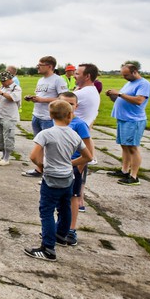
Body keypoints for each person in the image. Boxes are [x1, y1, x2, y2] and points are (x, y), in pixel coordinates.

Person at [24, 100, 92, 262]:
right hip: (68, 178)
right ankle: (61, 234)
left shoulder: (46, 134)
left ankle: (48, 248)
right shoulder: (74, 134)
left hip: (52, 178)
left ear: (50, 115)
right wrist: (70, 164)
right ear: (70, 115)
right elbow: (88, 156)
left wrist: (42, 166)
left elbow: (33, 156)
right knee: (64, 207)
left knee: (46, 211)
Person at [106, 63, 150, 186]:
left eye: (126, 75)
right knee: (124, 146)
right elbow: (123, 99)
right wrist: (113, 96)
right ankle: (124, 171)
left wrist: (120, 94)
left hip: (134, 120)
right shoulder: (129, 83)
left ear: (134, 71)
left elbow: (139, 100)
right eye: (123, 75)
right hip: (123, 118)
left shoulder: (144, 84)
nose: (124, 77)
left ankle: (134, 176)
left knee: (132, 147)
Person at [58, 92, 94, 246]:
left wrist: (79, 168)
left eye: (71, 104)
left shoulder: (79, 124)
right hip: (59, 166)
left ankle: (71, 229)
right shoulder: (58, 122)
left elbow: (89, 149)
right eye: (63, 103)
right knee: (59, 199)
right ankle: (60, 227)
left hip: (73, 166)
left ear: (76, 106)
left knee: (73, 198)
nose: (67, 107)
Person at [22, 56, 67, 178]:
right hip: (36, 115)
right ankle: (39, 169)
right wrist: (33, 98)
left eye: (40, 65)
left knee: (50, 147)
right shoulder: (41, 80)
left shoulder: (58, 80)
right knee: (39, 145)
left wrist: (43, 100)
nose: (38, 67)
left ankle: (49, 172)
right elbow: (41, 95)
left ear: (50, 66)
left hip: (48, 118)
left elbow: (64, 98)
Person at [0, 71, 22, 166]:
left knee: (8, 137)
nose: (2, 82)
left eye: (4, 81)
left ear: (10, 79)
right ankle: (3, 155)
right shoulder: (2, 87)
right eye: (1, 81)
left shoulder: (15, 88)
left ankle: (7, 158)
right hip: (0, 115)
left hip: (9, 116)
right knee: (0, 137)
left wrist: (1, 93)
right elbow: (0, 100)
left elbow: (12, 98)